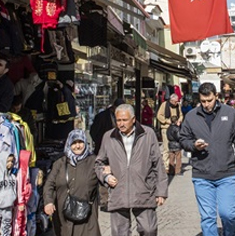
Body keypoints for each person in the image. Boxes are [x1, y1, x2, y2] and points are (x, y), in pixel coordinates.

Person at [177, 82, 235, 236]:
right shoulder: (191, 116)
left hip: (227, 173)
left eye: (209, 100)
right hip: (202, 175)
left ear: (216, 96)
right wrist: (193, 145)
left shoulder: (230, 113)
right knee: (208, 217)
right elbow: (182, 139)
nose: (206, 105)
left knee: (228, 214)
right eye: (203, 101)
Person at [94, 104, 168, 236]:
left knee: (149, 229)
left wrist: (161, 190)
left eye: (124, 120)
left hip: (144, 189)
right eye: (118, 120)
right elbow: (99, 163)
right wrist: (106, 177)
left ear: (133, 119)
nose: (121, 124)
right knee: (119, 232)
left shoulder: (147, 134)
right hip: (119, 190)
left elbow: (158, 163)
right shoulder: (108, 136)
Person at [43, 130, 101, 236]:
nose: (77, 146)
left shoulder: (94, 161)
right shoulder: (59, 163)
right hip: (62, 215)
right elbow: (49, 184)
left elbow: (103, 179)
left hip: (86, 216)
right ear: (69, 144)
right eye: (74, 143)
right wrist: (48, 202)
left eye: (80, 142)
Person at [156, 94, 184, 174]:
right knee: (166, 147)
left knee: (176, 148)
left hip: (176, 128)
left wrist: (179, 121)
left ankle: (174, 167)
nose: (176, 103)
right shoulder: (164, 105)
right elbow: (159, 116)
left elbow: (181, 115)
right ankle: (166, 166)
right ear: (171, 100)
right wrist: (167, 121)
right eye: (175, 101)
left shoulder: (178, 105)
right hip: (166, 128)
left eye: (177, 101)